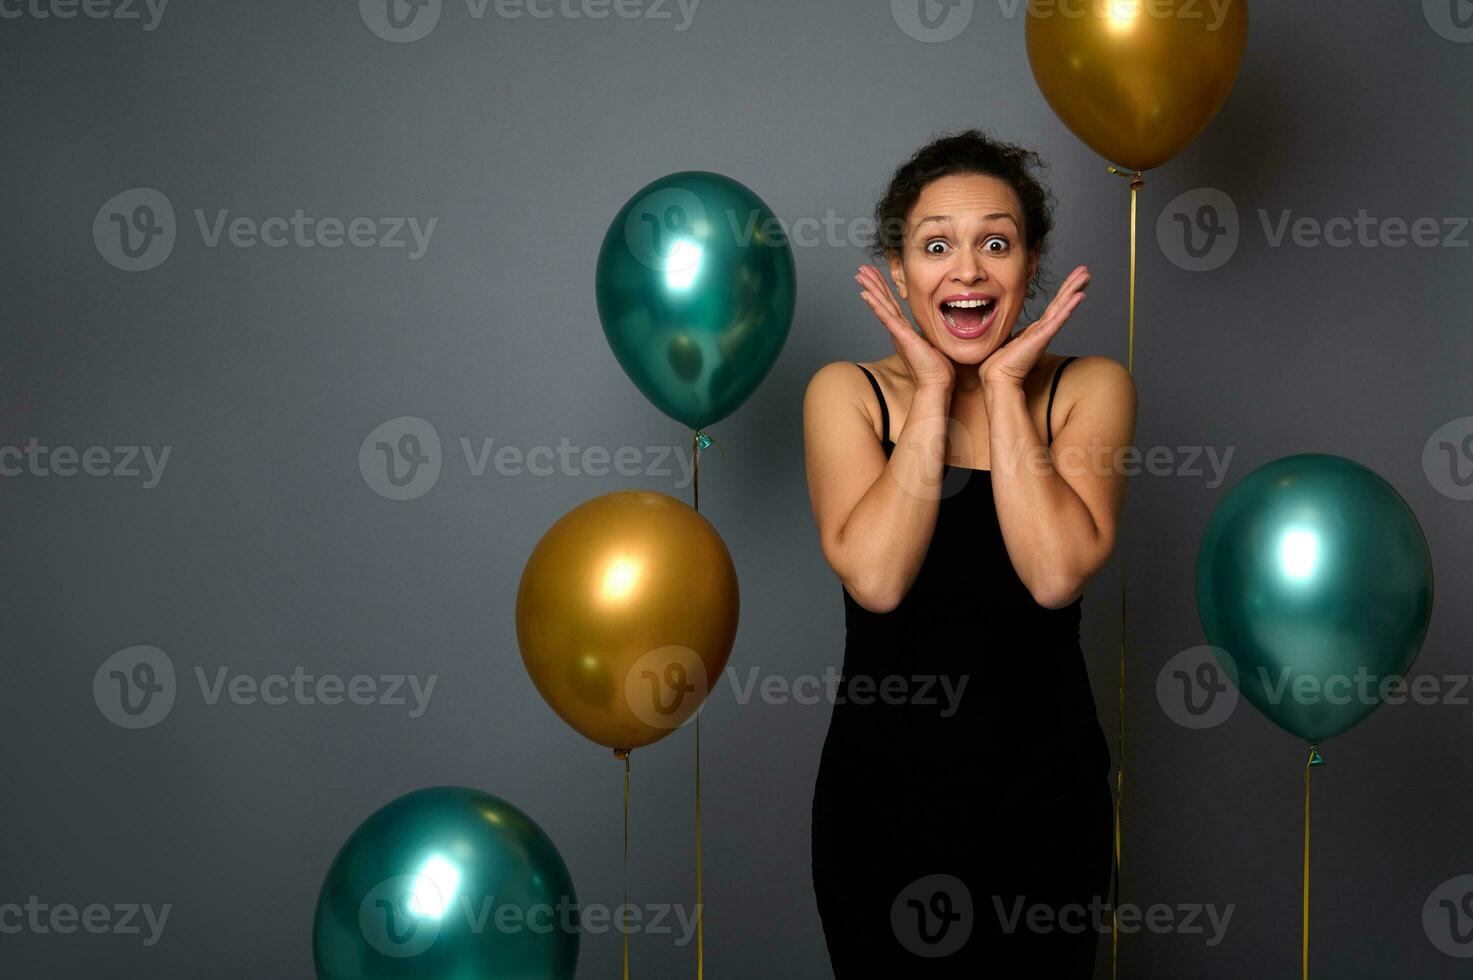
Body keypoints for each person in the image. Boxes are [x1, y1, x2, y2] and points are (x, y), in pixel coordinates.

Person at [803, 129, 1137, 976]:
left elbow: (1054, 573)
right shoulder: (846, 393)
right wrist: (932, 393)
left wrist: (997, 388)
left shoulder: (1087, 388)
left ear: (1031, 266)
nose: (967, 270)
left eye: (996, 242)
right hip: (882, 806)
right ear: (898, 266)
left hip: (1044, 806)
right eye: (936, 246)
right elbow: (877, 582)